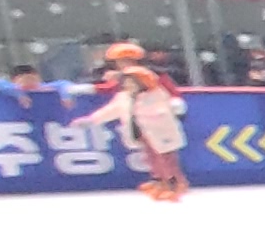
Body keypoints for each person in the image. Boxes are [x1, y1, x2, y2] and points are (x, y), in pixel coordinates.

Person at [81, 42, 193, 202]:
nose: (122, 65)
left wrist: (175, 105)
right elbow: (113, 102)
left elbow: (170, 94)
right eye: (120, 62)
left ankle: (175, 183)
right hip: (142, 128)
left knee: (166, 156)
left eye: (126, 61)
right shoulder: (126, 87)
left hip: (160, 127)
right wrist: (92, 115)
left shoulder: (153, 81)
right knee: (151, 156)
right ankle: (160, 180)